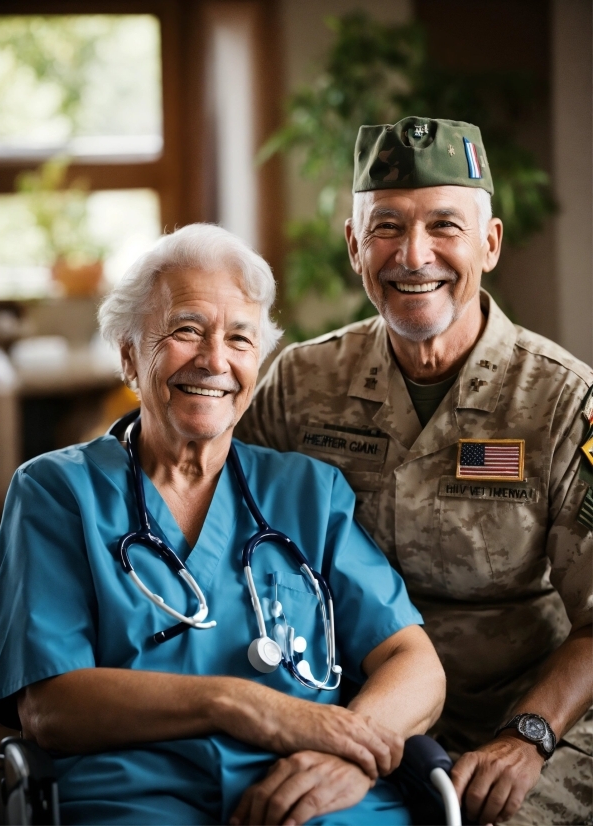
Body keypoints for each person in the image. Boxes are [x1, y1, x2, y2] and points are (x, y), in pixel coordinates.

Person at [0, 224, 446, 826]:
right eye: (187, 330)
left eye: (240, 338)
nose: (215, 361)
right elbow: (51, 706)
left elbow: (413, 661)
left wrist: (350, 754)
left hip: (320, 803)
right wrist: (237, 704)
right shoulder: (56, 492)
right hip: (140, 801)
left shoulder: (308, 492)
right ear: (129, 353)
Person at [237, 117, 593, 826]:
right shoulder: (301, 384)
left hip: (527, 713)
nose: (414, 255)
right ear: (353, 246)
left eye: (444, 227)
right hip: (348, 706)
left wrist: (527, 738)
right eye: (387, 227)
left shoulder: (564, 401)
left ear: (489, 244)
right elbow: (228, 538)